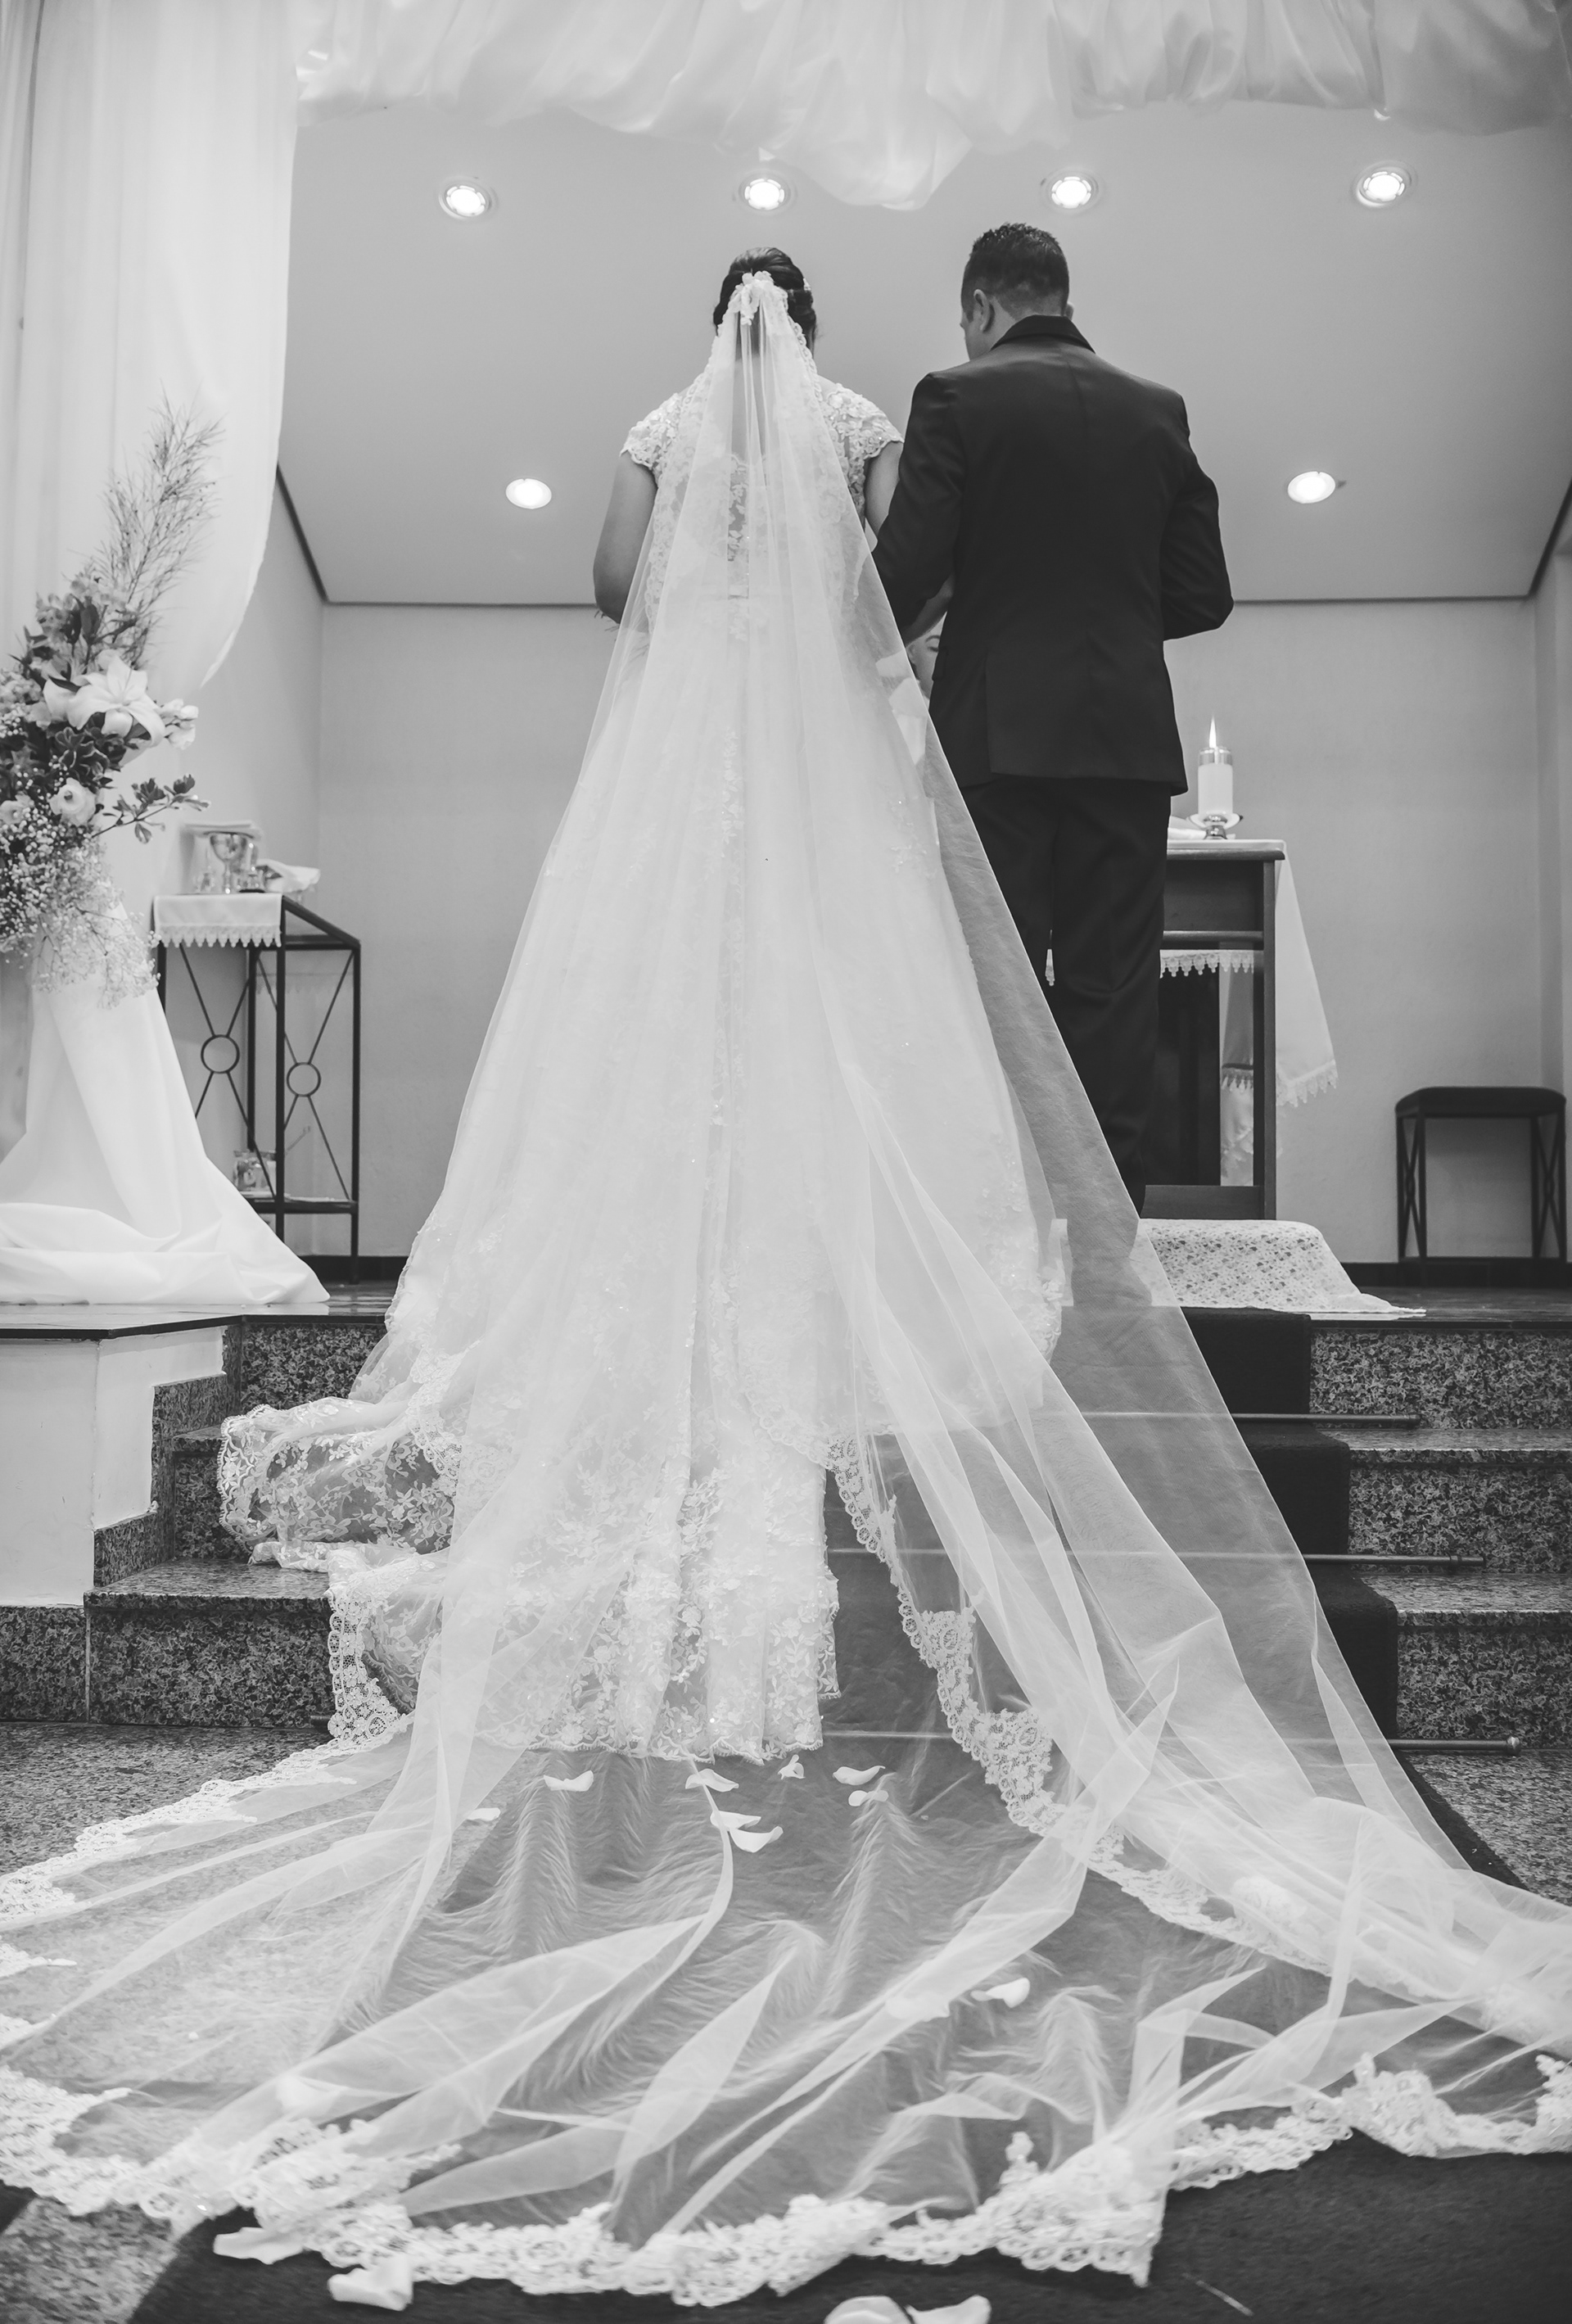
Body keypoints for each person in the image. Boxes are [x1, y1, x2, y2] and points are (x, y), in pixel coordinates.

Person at [2, 268, 1567, 2313]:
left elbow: (614, 586)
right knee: (875, 1023)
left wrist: (708, 642)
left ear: (715, 326)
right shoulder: (870, 426)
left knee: (663, 1028)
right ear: (820, 332)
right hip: (857, 774)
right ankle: (981, 1261)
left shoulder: (672, 429)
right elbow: (894, 597)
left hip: (689, 783)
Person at [874, 223, 1232, 1209]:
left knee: (996, 987)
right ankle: (1108, 1230)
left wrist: (842, 639)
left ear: (981, 306)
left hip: (998, 740)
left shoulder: (956, 397)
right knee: (1114, 993)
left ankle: (1004, 1217)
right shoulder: (1158, 410)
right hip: (1125, 741)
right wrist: (1110, 615)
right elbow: (1203, 593)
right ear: (1064, 303)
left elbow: (905, 570)